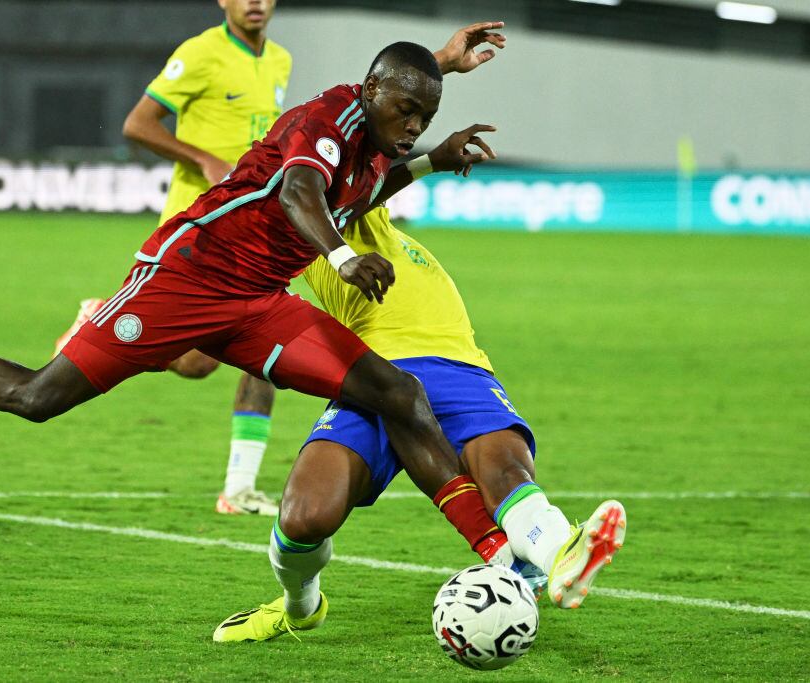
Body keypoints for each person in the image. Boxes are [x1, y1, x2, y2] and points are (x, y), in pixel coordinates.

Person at [0, 41, 504, 566]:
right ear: (371, 89)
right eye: (406, 111)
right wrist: (346, 258)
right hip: (184, 278)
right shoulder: (330, 115)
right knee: (37, 396)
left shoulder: (380, 143)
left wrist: (429, 160)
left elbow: (362, 192)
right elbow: (301, 191)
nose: (412, 125)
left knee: (398, 392)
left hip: (259, 302)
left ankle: (499, 557)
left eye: (425, 117)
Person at [212, 206, 628, 643]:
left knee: (505, 472)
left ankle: (559, 553)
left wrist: (427, 161)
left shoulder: (373, 217)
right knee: (304, 517)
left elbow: (374, 173)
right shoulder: (312, 235)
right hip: (372, 373)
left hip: (459, 365)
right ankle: (300, 608)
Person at [54, 0, 292, 516]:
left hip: (254, 229)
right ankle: (103, 318)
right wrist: (203, 157)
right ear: (223, 1)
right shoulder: (201, 53)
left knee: (264, 350)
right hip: (198, 229)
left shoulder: (280, 60)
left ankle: (239, 487)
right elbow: (138, 124)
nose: (255, 2)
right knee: (196, 363)